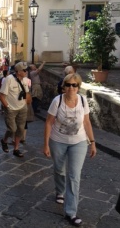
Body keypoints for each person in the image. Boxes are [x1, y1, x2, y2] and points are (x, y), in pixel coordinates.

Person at [43, 73, 97, 227]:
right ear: (63, 86)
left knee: (74, 176)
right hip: (58, 141)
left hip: (79, 142)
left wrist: (92, 142)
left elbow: (86, 122)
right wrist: (45, 144)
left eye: (75, 85)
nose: (71, 88)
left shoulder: (82, 100)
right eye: (68, 85)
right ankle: (60, 191)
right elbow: (48, 123)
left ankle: (71, 212)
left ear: (78, 87)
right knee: (59, 169)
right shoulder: (57, 101)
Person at [0, 61, 31, 158]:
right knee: (12, 129)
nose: (26, 72)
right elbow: (1, 95)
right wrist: (7, 107)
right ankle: (4, 140)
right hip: (11, 109)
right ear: (18, 71)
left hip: (22, 108)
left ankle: (16, 149)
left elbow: (27, 94)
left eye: (27, 70)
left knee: (20, 129)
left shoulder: (25, 80)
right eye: (24, 70)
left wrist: (26, 104)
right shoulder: (8, 79)